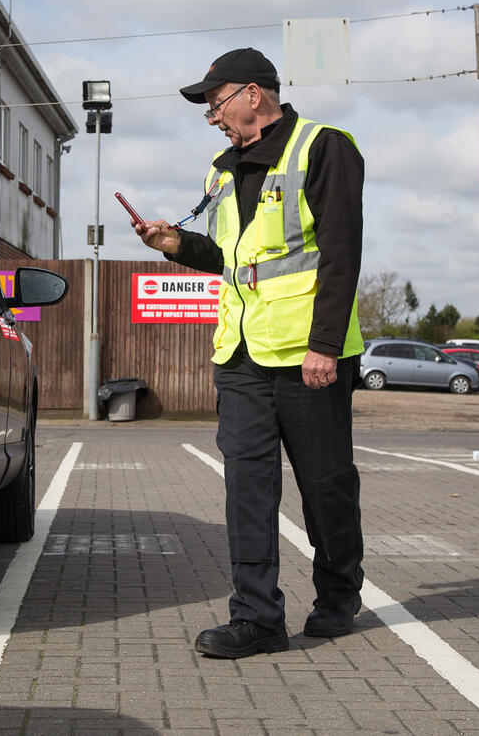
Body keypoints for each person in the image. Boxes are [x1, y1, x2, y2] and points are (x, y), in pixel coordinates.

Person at [134, 48, 366, 658]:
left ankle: (339, 594)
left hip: (308, 354)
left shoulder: (323, 147)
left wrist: (323, 346)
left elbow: (341, 253)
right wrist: (176, 244)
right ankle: (258, 619)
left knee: (325, 484)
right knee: (247, 488)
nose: (212, 117)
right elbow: (229, 258)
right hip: (239, 355)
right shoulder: (221, 170)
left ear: (253, 95)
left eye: (215, 104)